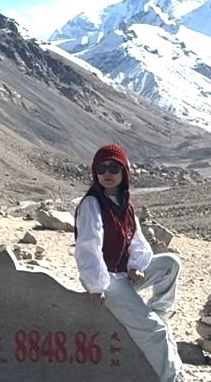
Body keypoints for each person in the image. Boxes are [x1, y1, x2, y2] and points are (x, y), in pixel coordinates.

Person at [73, 143, 183, 382]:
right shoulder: (92, 204)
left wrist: (136, 266)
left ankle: (159, 313)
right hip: (107, 279)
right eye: (101, 169)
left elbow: (137, 240)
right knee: (153, 330)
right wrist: (96, 287)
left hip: (124, 271)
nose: (107, 173)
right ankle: (173, 377)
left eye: (114, 167)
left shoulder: (125, 204)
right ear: (95, 173)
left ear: (124, 171)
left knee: (170, 264)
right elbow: (88, 247)